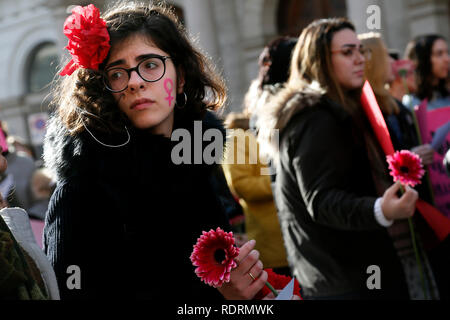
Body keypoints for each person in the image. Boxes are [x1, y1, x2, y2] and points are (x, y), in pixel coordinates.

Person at [44, 2, 268, 300]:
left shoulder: (197, 165)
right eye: (118, 73)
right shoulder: (82, 189)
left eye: (149, 65)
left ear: (181, 77)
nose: (135, 82)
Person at [257, 17, 421, 299]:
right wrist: (382, 209)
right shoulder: (315, 118)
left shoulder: (337, 109)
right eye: (347, 52)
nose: (359, 59)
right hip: (343, 279)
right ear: (319, 60)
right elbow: (321, 201)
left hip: (349, 274)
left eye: (361, 50)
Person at [359, 32, 441, 299]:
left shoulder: (395, 107)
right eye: (386, 56)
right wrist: (408, 158)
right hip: (395, 221)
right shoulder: (369, 111)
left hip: (416, 216)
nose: (395, 65)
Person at [223, 112, 289, 275]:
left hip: (296, 240)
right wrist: (285, 180)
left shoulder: (276, 131)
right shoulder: (236, 139)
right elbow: (241, 185)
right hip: (271, 244)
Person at [403, 34, 450, 110]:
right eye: (439, 54)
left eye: (447, 52)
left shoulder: (446, 94)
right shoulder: (412, 102)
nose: (447, 59)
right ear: (423, 60)